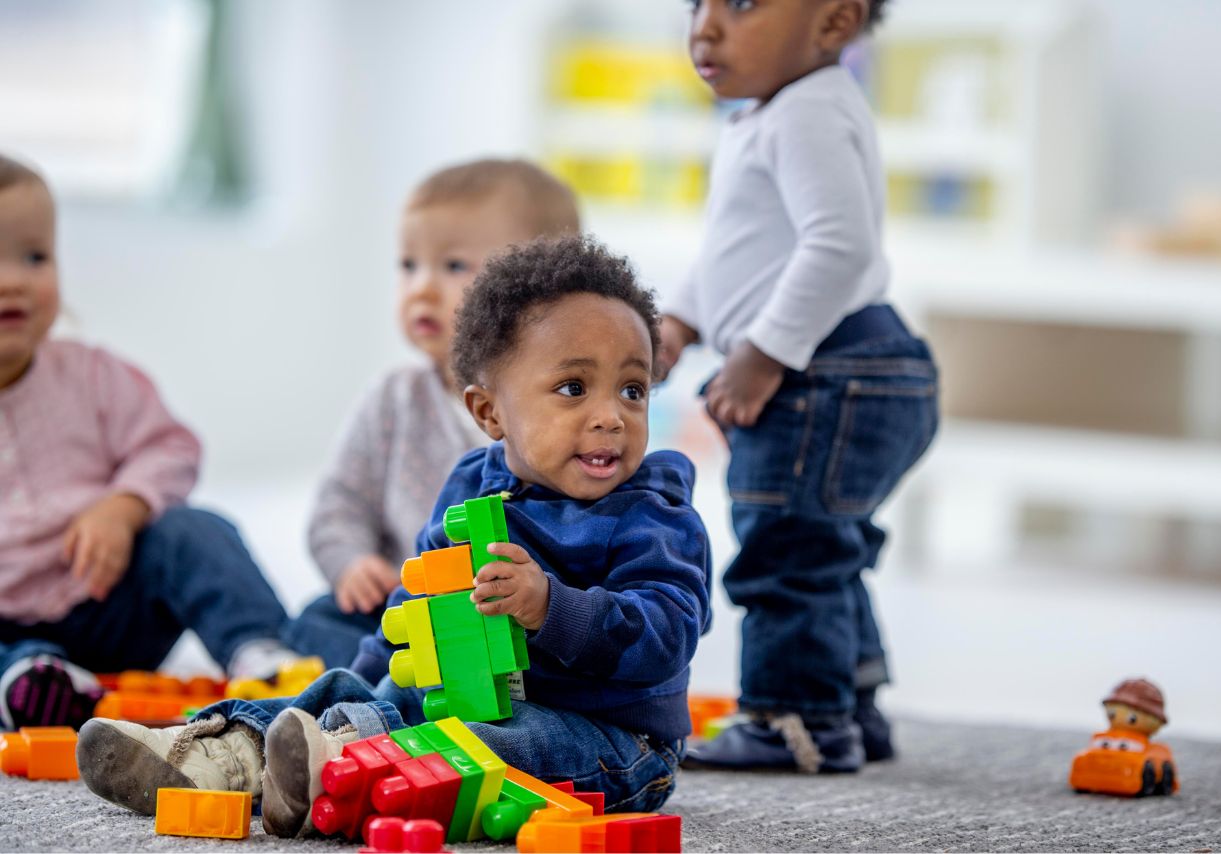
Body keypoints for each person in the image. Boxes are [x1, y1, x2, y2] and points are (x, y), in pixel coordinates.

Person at [76, 235, 712, 837]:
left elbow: (667, 634)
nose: (610, 416)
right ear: (490, 412)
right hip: (466, 700)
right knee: (357, 692)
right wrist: (369, 681)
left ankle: (343, 760)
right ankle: (227, 749)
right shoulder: (471, 486)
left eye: (633, 390)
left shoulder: (655, 515)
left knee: (488, 745)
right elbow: (415, 610)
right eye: (574, 388)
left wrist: (552, 606)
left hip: (610, 740)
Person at [659, 0, 938, 772]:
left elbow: (840, 245)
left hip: (828, 374)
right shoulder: (773, 113)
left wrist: (762, 353)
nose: (706, 28)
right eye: (697, 5)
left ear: (833, 23)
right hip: (860, 367)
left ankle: (797, 719)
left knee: (787, 546)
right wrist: (681, 320)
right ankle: (850, 702)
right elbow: (735, 250)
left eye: (741, 5)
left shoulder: (805, 112)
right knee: (823, 543)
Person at [0, 154, 303, 731]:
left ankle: (260, 650)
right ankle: (30, 683)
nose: (15, 279)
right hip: (8, 629)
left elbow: (170, 447)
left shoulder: (92, 375)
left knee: (193, 530)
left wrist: (124, 505)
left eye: (35, 256)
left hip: (109, 603)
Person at [284, 159, 581, 668]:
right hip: (408, 613)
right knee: (316, 621)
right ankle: (398, 680)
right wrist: (353, 562)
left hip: (513, 616)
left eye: (453, 266)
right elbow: (340, 504)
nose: (421, 287)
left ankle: (405, 686)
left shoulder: (559, 406)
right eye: (408, 265)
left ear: (541, 292)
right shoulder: (394, 398)